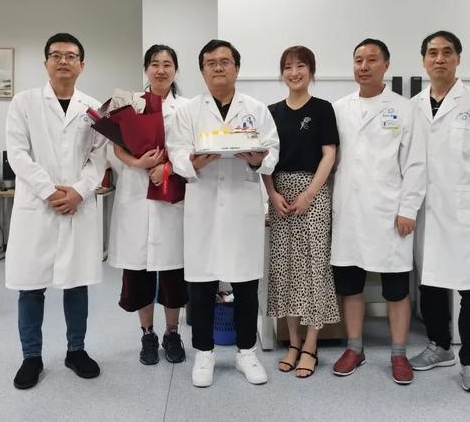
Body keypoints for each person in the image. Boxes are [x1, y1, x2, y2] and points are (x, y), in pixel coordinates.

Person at [167, 39, 279, 388]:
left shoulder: (256, 109)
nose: (218, 67)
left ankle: (246, 352)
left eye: (225, 61)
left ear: (237, 68)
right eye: (211, 62)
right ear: (202, 71)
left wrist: (259, 160)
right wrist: (193, 162)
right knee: (201, 286)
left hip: (242, 204)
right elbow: (176, 152)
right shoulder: (188, 111)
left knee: (246, 284)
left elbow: (272, 149)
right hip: (203, 204)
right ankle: (204, 353)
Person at [5, 33, 108, 389]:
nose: (63, 61)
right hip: (38, 205)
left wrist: (79, 191)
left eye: (71, 56)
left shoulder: (93, 109)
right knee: (31, 286)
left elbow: (99, 158)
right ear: (46, 62)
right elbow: (18, 154)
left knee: (76, 284)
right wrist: (49, 192)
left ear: (82, 64)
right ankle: (31, 357)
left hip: (77, 205)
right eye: (56, 55)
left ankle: (75, 351)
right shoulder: (24, 102)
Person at [409, 30, 470, 393]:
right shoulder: (414, 105)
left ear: (458, 59)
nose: (440, 58)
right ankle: (440, 346)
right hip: (428, 211)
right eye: (432, 52)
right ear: (424, 61)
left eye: (447, 52)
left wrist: (462, 191)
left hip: (464, 211)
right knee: (431, 283)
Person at [331, 39, 426, 385]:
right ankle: (354, 348)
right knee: (350, 285)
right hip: (348, 212)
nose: (364, 66)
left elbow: (415, 163)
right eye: (358, 60)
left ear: (386, 65)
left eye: (372, 60)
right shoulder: (339, 108)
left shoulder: (404, 109)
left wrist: (408, 209)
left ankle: (399, 353)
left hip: (390, 213)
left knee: (396, 288)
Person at [108, 44, 189, 366]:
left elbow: (191, 150)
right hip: (137, 196)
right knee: (139, 270)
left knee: (172, 271)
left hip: (170, 197)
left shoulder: (186, 108)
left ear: (175, 70)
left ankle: (172, 333)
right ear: (146, 69)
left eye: (167, 64)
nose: (161, 70)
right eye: (155, 64)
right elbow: (116, 147)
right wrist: (138, 162)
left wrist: (166, 168)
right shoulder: (130, 104)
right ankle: (147, 334)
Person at [264, 46, 340, 378]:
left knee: (313, 268)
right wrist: (272, 193)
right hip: (280, 194)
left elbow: (329, 155)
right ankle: (293, 343)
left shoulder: (323, 109)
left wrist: (310, 194)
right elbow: (264, 159)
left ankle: (311, 344)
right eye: (288, 67)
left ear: (311, 71)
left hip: (314, 193)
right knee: (284, 269)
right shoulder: (271, 112)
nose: (294, 72)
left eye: (300, 66)